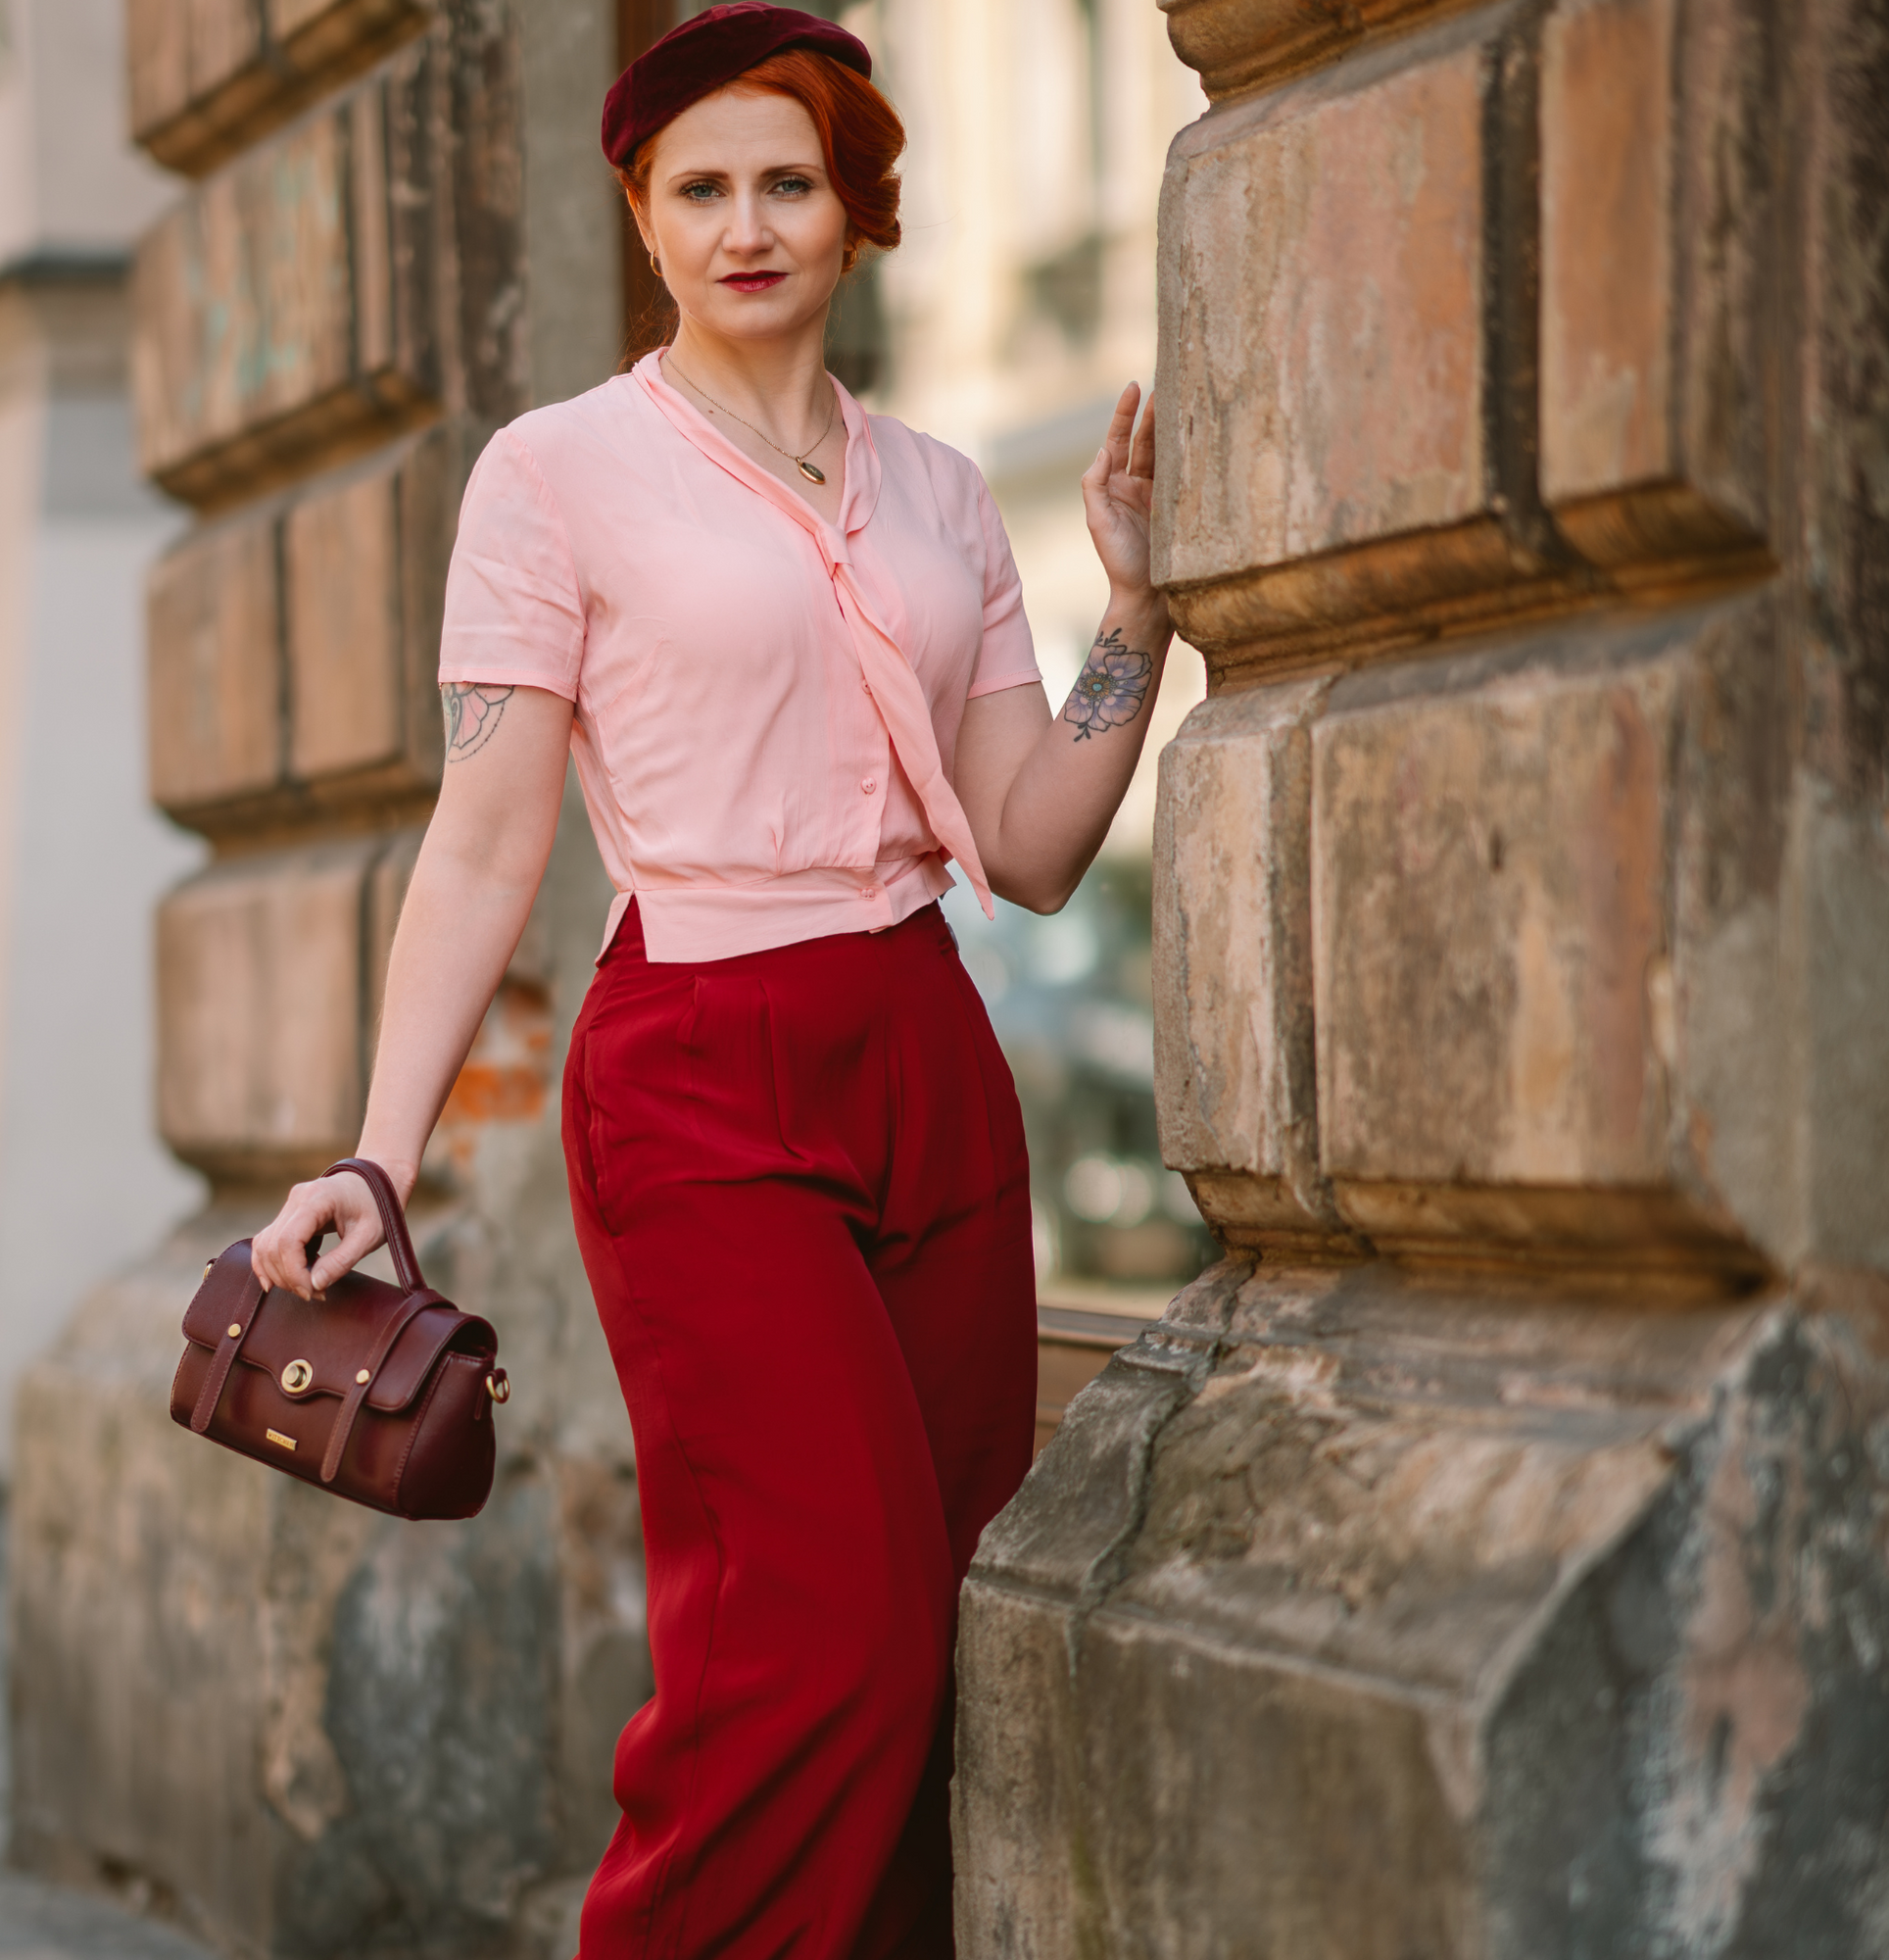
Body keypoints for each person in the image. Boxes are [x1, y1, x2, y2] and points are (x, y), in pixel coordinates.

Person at [248, 5, 1174, 1953]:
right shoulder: (553, 472)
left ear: (857, 213)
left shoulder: (934, 490)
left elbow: (1023, 838)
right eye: (699, 190)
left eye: (787, 181)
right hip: (695, 1068)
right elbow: (488, 838)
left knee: (930, 1634)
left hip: (927, 1042)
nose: (744, 224)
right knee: (810, 1636)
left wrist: (1133, 616)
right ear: (645, 222)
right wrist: (378, 1155)